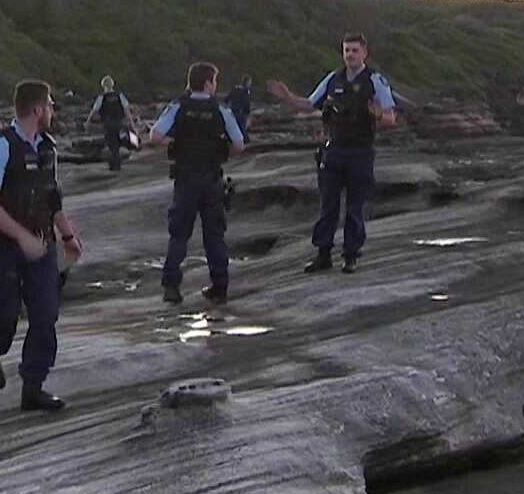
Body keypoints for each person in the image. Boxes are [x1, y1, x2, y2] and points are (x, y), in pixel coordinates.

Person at [0, 79, 84, 411]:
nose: (53, 111)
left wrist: (67, 235)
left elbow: (53, 198)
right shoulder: (0, 147)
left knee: (45, 314)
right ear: (37, 109)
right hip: (6, 246)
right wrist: (21, 236)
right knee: (6, 315)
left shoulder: (47, 148)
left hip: (42, 244)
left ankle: (33, 386)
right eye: (50, 105)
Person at [267, 32, 395, 274]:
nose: (350, 55)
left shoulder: (375, 80)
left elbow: (390, 118)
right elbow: (308, 104)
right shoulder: (333, 79)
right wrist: (287, 97)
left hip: (360, 150)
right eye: (346, 50)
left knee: (355, 206)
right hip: (334, 149)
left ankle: (350, 256)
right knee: (328, 205)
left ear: (364, 53)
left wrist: (378, 115)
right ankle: (323, 254)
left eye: (354, 50)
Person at [148, 62, 246, 304]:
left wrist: (180, 135)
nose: (216, 85)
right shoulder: (221, 109)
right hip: (212, 178)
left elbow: (155, 136)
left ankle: (171, 287)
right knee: (214, 235)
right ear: (208, 82)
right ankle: (220, 287)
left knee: (179, 234)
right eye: (215, 81)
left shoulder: (178, 106)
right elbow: (239, 144)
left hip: (185, 178)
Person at [86, 75, 136, 171]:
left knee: (112, 146)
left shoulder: (101, 97)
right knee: (119, 143)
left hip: (108, 124)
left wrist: (88, 121)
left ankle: (114, 167)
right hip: (120, 123)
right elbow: (126, 110)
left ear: (103, 85)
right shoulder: (119, 95)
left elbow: (94, 110)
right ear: (112, 84)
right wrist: (132, 123)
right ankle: (117, 165)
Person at [224, 74, 254, 141]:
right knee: (242, 128)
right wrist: (248, 111)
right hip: (241, 113)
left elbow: (226, 99)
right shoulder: (245, 91)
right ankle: (244, 142)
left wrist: (230, 106)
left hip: (233, 111)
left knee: (233, 128)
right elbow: (246, 102)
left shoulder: (235, 90)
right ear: (248, 82)